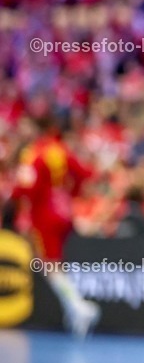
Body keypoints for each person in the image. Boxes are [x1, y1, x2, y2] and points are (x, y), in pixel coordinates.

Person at [8, 118, 100, 337]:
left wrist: (12, 197)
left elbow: (26, 189)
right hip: (64, 210)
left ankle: (79, 306)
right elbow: (84, 174)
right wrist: (72, 194)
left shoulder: (32, 154)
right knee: (53, 263)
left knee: (49, 266)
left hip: (43, 215)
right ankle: (73, 310)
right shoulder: (61, 150)